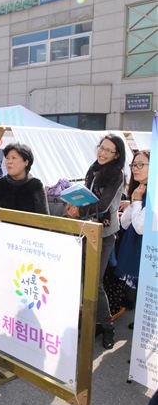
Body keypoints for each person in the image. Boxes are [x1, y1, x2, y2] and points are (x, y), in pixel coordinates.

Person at [66, 134, 126, 349]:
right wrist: (72, 204)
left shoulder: (117, 175)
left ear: (117, 155)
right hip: (84, 229)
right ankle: (85, 321)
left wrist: (78, 209)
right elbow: (86, 196)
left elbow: (102, 205)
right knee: (79, 278)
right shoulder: (93, 169)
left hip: (103, 233)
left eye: (109, 150)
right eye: (102, 147)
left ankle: (107, 327)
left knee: (94, 282)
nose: (103, 153)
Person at [115, 150, 149, 326]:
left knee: (147, 287)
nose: (136, 168)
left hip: (148, 249)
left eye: (141, 164)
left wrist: (135, 202)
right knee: (142, 287)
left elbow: (141, 227)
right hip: (137, 248)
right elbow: (126, 223)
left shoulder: (153, 193)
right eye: (134, 164)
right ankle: (141, 321)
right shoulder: (139, 190)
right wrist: (133, 202)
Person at [0, 143, 49, 215]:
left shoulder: (35, 185)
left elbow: (44, 217)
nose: (9, 162)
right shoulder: (1, 183)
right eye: (7, 158)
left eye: (14, 158)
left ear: (26, 162)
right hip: (3, 226)